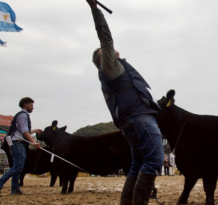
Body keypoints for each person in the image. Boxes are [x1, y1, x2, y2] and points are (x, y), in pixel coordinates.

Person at [86, 0, 164, 204]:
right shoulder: (109, 68)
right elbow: (105, 37)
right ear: (103, 60)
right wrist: (95, 9)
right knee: (154, 160)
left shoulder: (114, 72)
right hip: (139, 119)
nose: (112, 51)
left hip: (132, 121)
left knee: (137, 164)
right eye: (107, 52)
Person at [0, 97, 42, 198]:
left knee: (17, 167)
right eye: (31, 105)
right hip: (18, 144)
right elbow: (24, 132)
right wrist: (34, 142)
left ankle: (15, 188)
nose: (33, 107)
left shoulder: (21, 115)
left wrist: (34, 130)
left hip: (16, 143)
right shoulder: (23, 115)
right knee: (18, 167)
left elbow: (21, 131)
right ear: (25, 105)